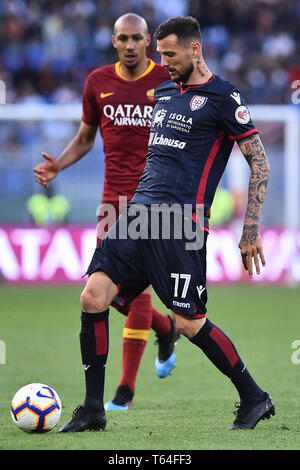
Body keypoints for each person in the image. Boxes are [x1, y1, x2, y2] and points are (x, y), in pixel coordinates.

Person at [58, 16, 274, 433]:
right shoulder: (164, 92)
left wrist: (250, 229)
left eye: (170, 54)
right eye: (160, 54)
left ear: (195, 50)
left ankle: (254, 397)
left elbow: (259, 163)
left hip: (180, 224)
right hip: (137, 215)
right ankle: (92, 409)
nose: (164, 62)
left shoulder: (224, 97)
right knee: (93, 295)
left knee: (188, 323)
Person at [33, 13, 177, 412]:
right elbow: (85, 138)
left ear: (149, 41)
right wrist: (57, 165)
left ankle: (124, 393)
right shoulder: (98, 82)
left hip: (153, 202)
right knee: (108, 293)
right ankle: (165, 330)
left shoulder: (168, 82)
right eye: (123, 39)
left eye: (137, 38)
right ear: (113, 41)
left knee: (139, 290)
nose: (130, 45)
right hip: (111, 203)